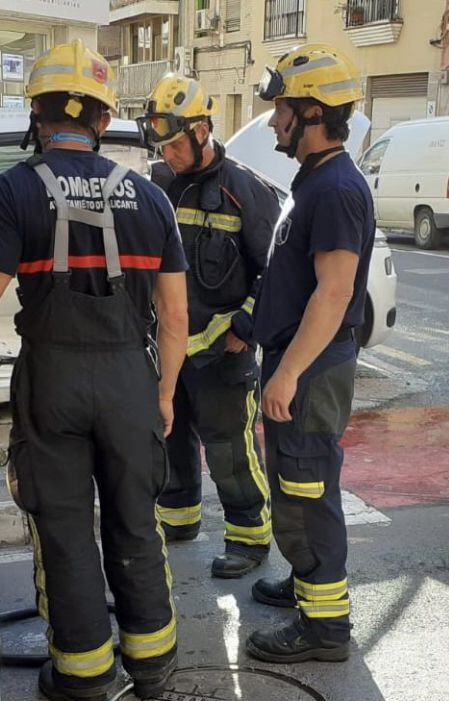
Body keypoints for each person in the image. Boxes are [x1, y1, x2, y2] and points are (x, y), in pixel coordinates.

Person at [0, 41, 189, 701]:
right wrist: (164, 393)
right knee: (134, 520)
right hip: (128, 379)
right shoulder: (150, 197)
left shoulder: (17, 189)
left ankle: (83, 678)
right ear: (102, 118)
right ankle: (153, 663)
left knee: (62, 527)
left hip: (53, 377)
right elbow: (175, 316)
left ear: (37, 111)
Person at [242, 43, 374, 663]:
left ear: (313, 113)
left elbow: (336, 290)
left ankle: (323, 627)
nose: (273, 120)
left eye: (282, 110)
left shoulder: (338, 188)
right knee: (295, 483)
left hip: (312, 369)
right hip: (299, 361)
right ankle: (307, 582)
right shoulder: (315, 181)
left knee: (306, 489)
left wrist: (288, 372)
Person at [142, 75, 280, 579]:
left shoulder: (247, 191)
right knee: (171, 436)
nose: (170, 154)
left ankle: (248, 535)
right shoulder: (156, 184)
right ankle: (179, 517)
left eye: (177, 142)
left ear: (203, 130)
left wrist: (246, 325)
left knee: (230, 448)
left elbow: (275, 271)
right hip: (170, 349)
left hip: (224, 349)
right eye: (163, 145)